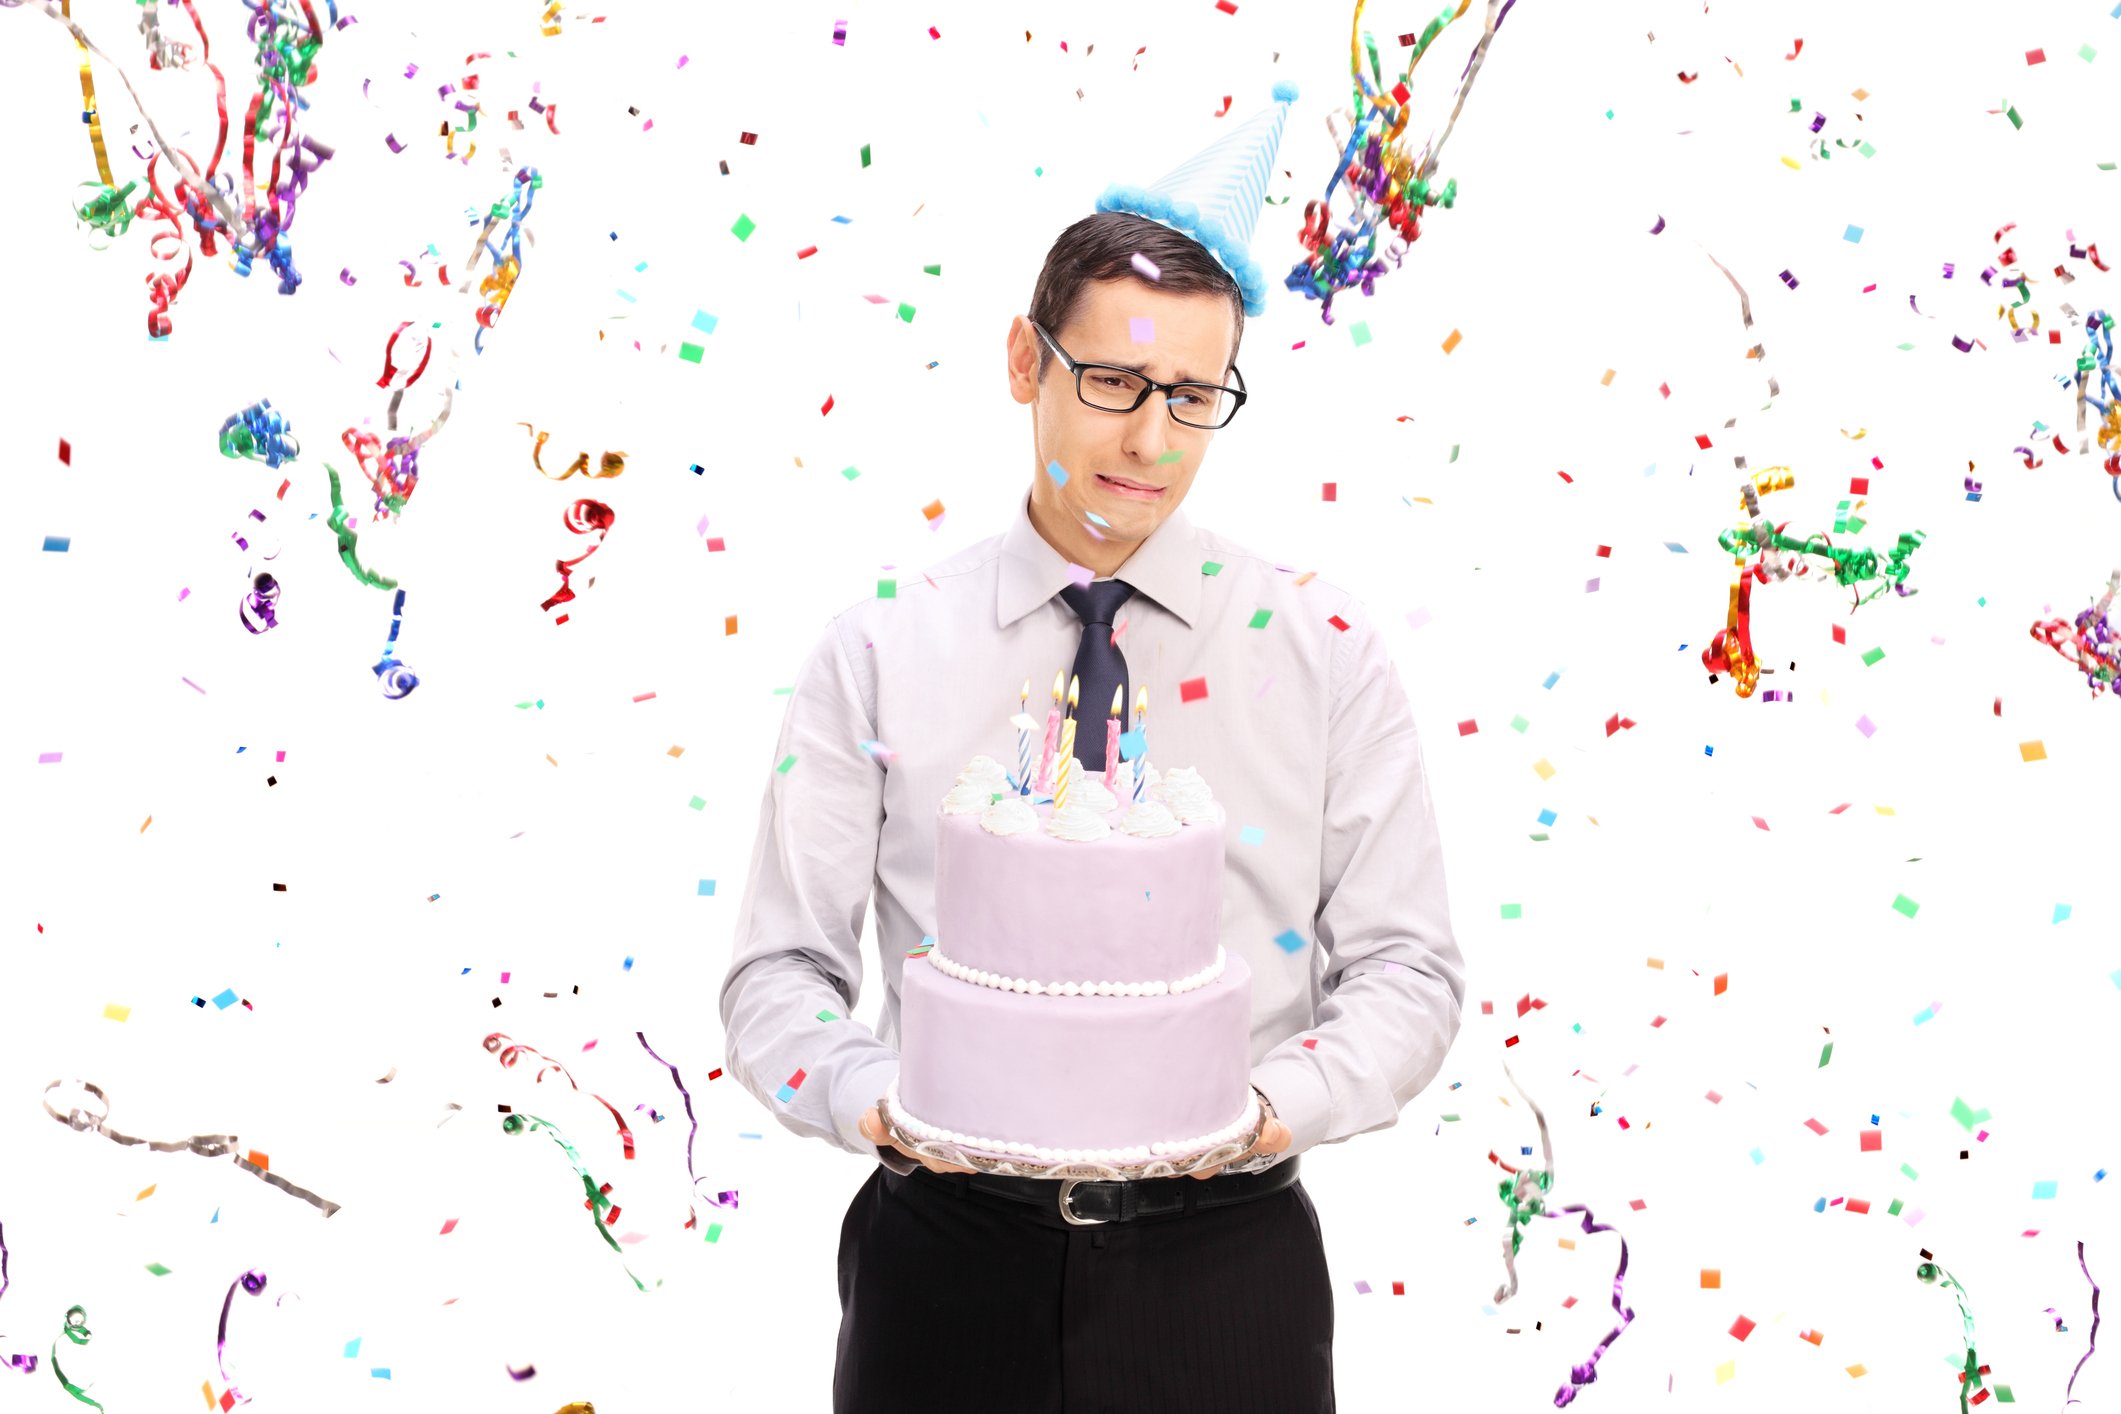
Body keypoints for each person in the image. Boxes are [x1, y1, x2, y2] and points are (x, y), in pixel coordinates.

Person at [720, 88, 1464, 1413]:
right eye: (1113, 380)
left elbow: (1407, 967)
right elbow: (777, 971)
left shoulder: (1319, 647)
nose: (1147, 440)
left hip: (1224, 1261)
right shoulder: (879, 649)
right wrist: (872, 1097)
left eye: (1190, 395)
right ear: (1024, 360)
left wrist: (1265, 1103)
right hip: (941, 1259)